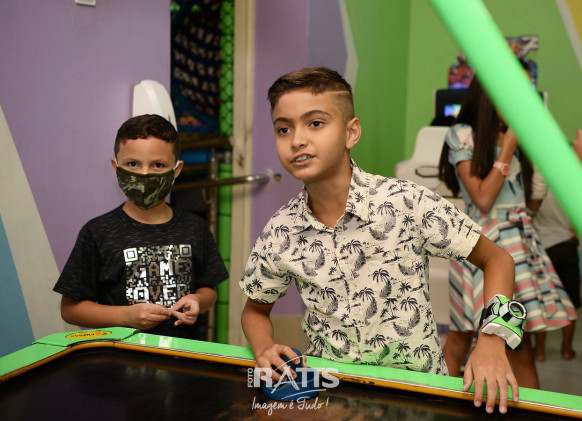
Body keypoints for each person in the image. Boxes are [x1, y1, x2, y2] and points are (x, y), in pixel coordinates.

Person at [241, 67, 526, 414]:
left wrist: (493, 340)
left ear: (351, 132)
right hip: (333, 401)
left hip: (417, 400)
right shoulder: (280, 230)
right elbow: (255, 309)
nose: (297, 139)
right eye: (283, 129)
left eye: (315, 123)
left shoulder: (405, 202)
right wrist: (264, 347)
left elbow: (498, 260)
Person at [438, 75, 578, 389]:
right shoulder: (463, 134)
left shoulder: (518, 136)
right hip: (480, 246)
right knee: (461, 337)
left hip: (520, 245)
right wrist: (508, 148)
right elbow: (483, 199)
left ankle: (524, 410)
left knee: (518, 344)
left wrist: (540, 163)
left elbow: (531, 204)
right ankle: (433, 407)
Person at [54, 114, 228, 340]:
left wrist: (197, 300)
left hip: (183, 353)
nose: (145, 174)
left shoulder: (195, 227)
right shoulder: (97, 232)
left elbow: (209, 290)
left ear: (176, 170)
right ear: (116, 167)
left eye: (158, 165)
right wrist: (126, 316)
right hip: (120, 355)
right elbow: (70, 309)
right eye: (133, 164)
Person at [531, 129, 582, 361]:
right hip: (567, 246)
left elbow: (531, 210)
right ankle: (566, 350)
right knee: (570, 301)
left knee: (543, 301)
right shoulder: (573, 181)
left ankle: (540, 352)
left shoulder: (540, 181)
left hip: (542, 246)